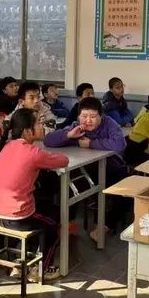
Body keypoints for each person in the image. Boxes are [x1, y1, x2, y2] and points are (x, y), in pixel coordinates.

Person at [0, 108, 68, 281]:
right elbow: (64, 160)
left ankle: (24, 259)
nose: (42, 126)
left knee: (42, 209)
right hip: (17, 217)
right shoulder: (33, 153)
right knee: (53, 226)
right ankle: (41, 270)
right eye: (38, 123)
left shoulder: (7, 146)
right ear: (27, 131)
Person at [44, 97, 129, 238]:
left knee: (124, 194)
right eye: (84, 116)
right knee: (69, 186)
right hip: (88, 169)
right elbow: (48, 140)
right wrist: (68, 135)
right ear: (78, 116)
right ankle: (66, 227)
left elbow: (120, 144)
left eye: (93, 116)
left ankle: (106, 225)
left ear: (101, 116)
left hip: (112, 168)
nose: (88, 120)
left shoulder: (109, 124)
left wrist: (91, 143)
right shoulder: (76, 127)